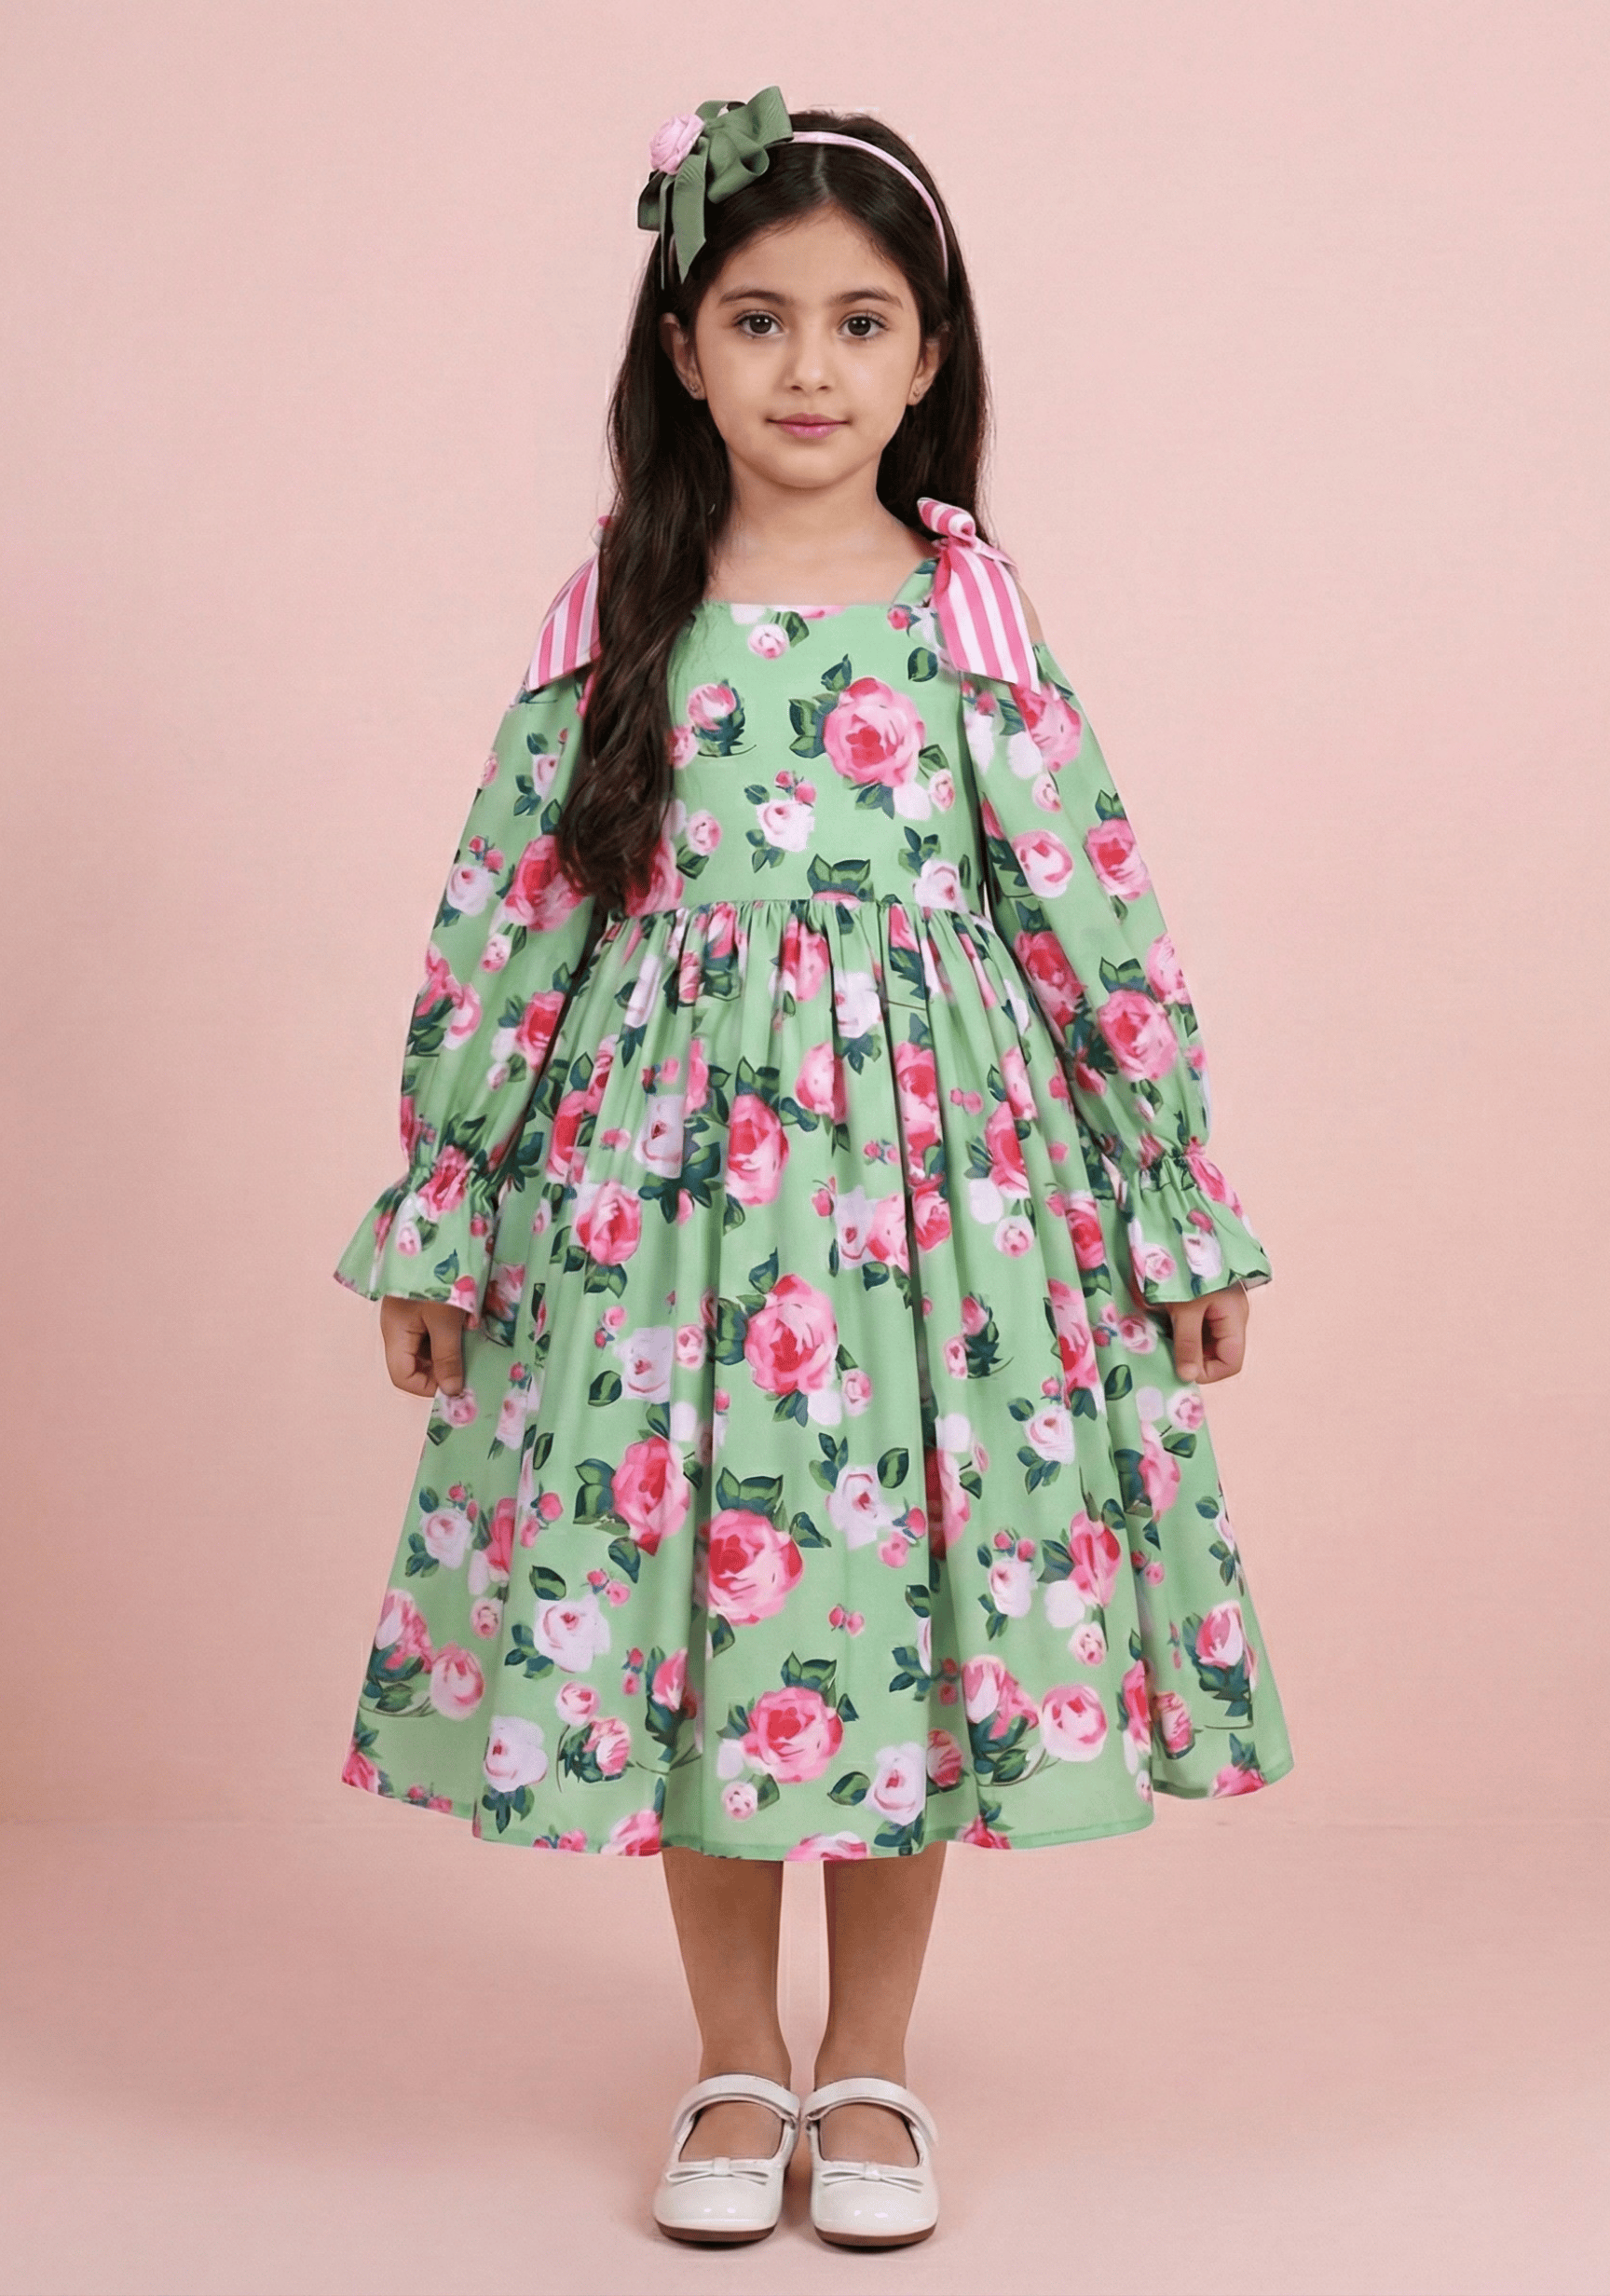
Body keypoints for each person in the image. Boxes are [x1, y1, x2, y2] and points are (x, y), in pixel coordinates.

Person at [333, 86, 1293, 2251]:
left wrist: (1171, 1193)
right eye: (759, 320)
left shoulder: (971, 613)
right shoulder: (619, 610)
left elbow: (1088, 900)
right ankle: (732, 2058)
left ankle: (868, 2058)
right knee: (699, 1598)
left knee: (896, 1608)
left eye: (862, 323)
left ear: (930, 355)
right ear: (683, 349)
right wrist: (446, 1198)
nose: (809, 369)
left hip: (936, 1211)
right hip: (667, 1206)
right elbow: (512, 906)